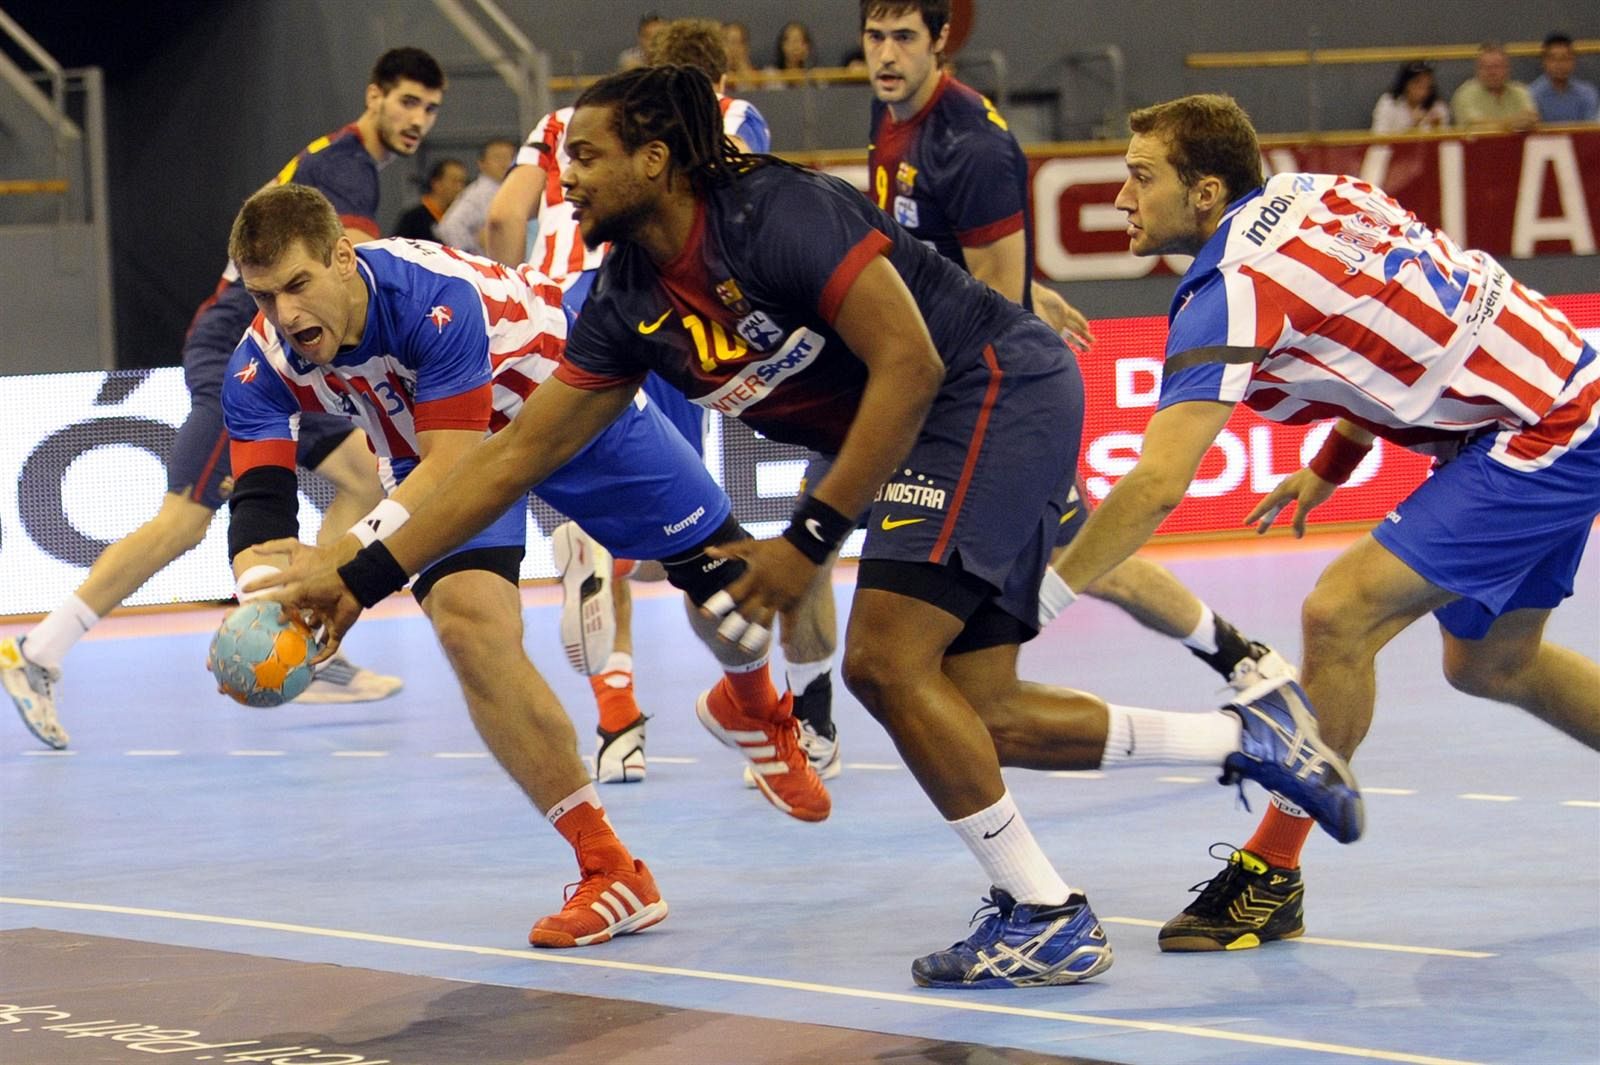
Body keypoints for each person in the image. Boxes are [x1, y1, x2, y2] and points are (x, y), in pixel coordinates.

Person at [259, 67, 1363, 989]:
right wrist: (355, 583)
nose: (565, 177)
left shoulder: (776, 213)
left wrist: (807, 542)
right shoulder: (624, 298)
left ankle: (1044, 913)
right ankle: (1255, 741)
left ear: (655, 158)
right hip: (941, 416)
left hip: (987, 390)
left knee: (883, 662)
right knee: (980, 715)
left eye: (584, 157)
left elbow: (911, 363)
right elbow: (511, 457)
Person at [1047, 92, 1600, 954]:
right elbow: (1391, 337)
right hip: (1552, 384)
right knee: (1493, 662)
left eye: (1139, 176)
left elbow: (1157, 482)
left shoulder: (1229, 288)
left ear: (1204, 192)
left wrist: (1046, 596)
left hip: (1542, 428)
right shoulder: (1315, 194)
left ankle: (1270, 877)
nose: (1119, 197)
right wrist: (1329, 467)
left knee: (1339, 613)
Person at [223, 185, 834, 940]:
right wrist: (265, 607)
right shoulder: (260, 359)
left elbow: (459, 463)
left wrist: (348, 573)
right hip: (434, 454)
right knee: (469, 629)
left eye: (297, 284)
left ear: (343, 259)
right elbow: (258, 513)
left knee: (733, 601)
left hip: (566, 401)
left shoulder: (429, 298)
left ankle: (751, 702)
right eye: (263, 295)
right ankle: (611, 869)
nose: (284, 314)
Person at [0, 47, 444, 749]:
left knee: (360, 477)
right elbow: (362, 271)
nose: (419, 119)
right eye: (408, 102)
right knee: (182, 521)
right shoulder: (345, 164)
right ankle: (38, 654)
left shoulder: (338, 161)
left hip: (298, 357)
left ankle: (303, 626)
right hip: (250, 356)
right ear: (374, 96)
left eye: (431, 108)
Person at [862, 0, 1289, 692]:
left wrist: (1009, 306)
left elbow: (992, 310)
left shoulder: (970, 141)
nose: (885, 55)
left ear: (941, 41)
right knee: (1082, 555)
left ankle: (1239, 669)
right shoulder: (889, 111)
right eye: (874, 37)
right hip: (939, 375)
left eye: (903, 38)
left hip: (982, 400)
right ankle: (1241, 656)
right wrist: (1032, 290)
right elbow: (948, 258)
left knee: (1087, 557)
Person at [483, 18, 831, 790]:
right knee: (691, 526)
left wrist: (516, 304)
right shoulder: (727, 117)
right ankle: (778, 712)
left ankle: (617, 726)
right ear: (718, 77)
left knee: (592, 510)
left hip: (551, 314)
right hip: (654, 305)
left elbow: (504, 218)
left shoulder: (559, 121)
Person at [434, 137, 518, 255]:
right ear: (481, 163)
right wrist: (471, 252)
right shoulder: (477, 194)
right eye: (498, 157)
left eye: (510, 157)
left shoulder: (512, 189)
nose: (504, 163)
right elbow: (449, 227)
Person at [1450, 42, 1538, 131]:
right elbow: (1474, 127)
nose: (1491, 73)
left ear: (1508, 69)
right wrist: (1509, 124)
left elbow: (1531, 118)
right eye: (1485, 67)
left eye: (1497, 67)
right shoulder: (1465, 94)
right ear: (1477, 70)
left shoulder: (1521, 91)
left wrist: (1526, 121)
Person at [1529, 33, 1599, 124]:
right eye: (1553, 59)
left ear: (1573, 61)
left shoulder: (1587, 93)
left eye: (1565, 58)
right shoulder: (1531, 94)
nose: (1559, 64)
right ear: (1544, 62)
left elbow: (1590, 131)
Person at [392, 157, 467, 240]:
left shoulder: (460, 219)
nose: (459, 188)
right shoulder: (413, 219)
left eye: (462, 182)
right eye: (454, 181)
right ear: (436, 183)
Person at [1370, 60, 1451, 133]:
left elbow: (1449, 145)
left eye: (1427, 85)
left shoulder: (1438, 106)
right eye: (1417, 83)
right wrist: (1412, 127)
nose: (1422, 90)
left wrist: (1438, 129)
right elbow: (1379, 140)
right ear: (1405, 84)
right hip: (1395, 148)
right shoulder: (1389, 103)